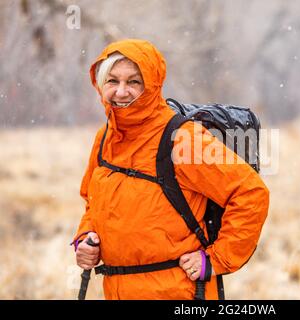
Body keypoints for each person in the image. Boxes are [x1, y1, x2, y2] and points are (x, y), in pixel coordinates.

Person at [71, 39, 270, 300]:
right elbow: (93, 202)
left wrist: (217, 258)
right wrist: (85, 239)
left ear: (152, 85)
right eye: (112, 81)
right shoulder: (105, 137)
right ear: (100, 84)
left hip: (179, 293)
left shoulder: (182, 139)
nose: (121, 92)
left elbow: (251, 193)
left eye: (134, 82)